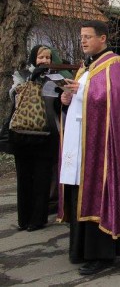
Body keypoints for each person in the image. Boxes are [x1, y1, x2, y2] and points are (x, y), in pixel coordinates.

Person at [58, 20, 120, 276]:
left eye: (88, 36)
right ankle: (80, 249)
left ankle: (101, 255)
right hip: (81, 143)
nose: (83, 41)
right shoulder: (85, 68)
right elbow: (78, 101)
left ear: (103, 39)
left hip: (103, 145)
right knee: (80, 194)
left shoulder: (117, 66)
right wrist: (67, 98)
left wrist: (83, 92)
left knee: (99, 195)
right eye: (81, 36)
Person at [8, 45, 65, 232]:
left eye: (48, 57)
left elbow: (61, 105)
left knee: (42, 177)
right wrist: (33, 80)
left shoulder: (57, 78)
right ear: (34, 57)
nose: (45, 61)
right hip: (23, 134)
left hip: (47, 134)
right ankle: (23, 218)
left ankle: (37, 219)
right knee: (24, 177)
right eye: (41, 57)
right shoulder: (21, 75)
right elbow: (14, 96)